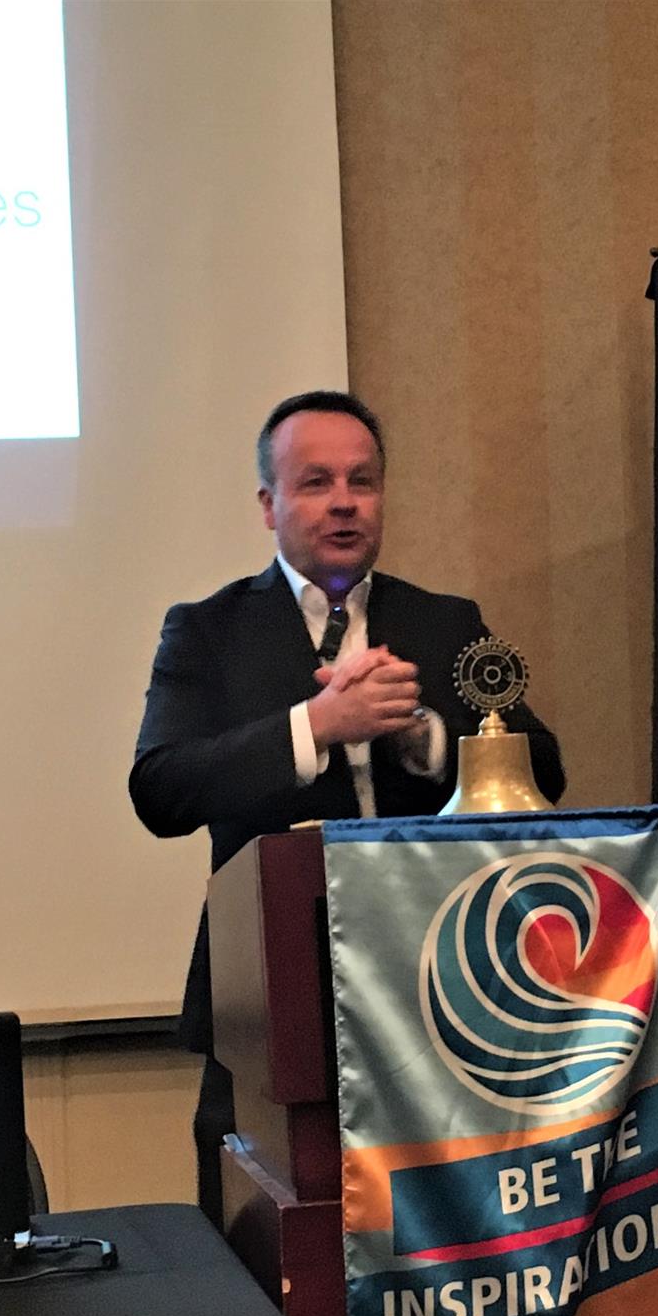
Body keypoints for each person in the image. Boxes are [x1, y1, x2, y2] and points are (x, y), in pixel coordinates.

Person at [131, 388, 566, 1222]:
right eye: (316, 482)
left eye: (361, 482)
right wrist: (316, 727)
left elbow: (543, 770)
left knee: (443, 1230)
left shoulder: (446, 623)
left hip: (438, 992)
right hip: (269, 998)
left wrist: (426, 738)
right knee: (268, 1238)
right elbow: (161, 788)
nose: (343, 502)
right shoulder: (207, 631)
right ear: (270, 505)